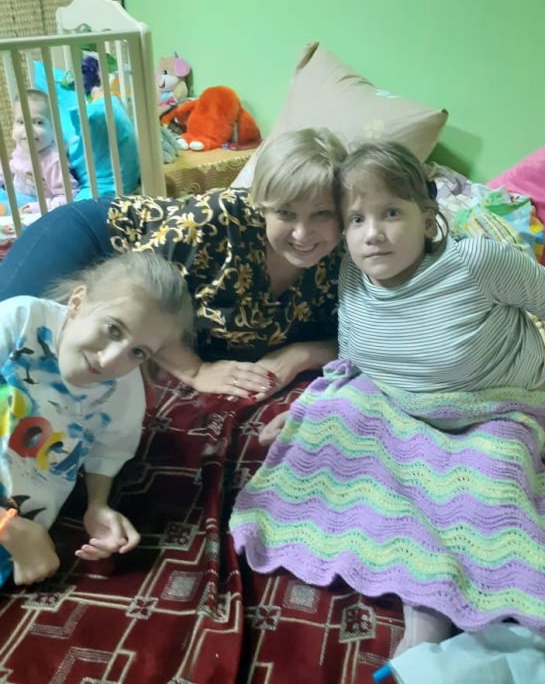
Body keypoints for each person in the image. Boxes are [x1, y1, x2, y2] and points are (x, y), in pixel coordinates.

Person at [230, 141, 545, 655]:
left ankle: (431, 615)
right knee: (333, 445)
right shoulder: (351, 273)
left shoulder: (477, 263)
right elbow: (360, 359)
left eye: (391, 213)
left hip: (493, 406)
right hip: (398, 401)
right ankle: (408, 580)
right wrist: (308, 409)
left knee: (483, 487)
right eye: (355, 219)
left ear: (427, 220)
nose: (372, 233)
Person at [0, 128, 347, 400]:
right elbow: (140, 299)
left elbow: (361, 336)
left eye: (322, 214)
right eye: (286, 213)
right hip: (98, 236)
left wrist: (300, 355)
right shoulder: (218, 219)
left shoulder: (348, 257)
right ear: (263, 206)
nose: (303, 233)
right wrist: (195, 371)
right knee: (16, 338)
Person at [0, 251, 194, 587]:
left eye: (138, 352)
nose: (110, 360)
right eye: (113, 329)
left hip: (22, 546)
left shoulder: (124, 389)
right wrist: (7, 527)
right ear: (77, 302)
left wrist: (97, 505)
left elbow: (109, 449)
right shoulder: (18, 321)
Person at [0, 89, 79, 214]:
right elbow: (12, 168)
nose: (28, 129)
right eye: (21, 122)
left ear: (52, 130)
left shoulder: (53, 161)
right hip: (16, 193)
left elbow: (70, 196)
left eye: (38, 122)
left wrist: (39, 207)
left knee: (3, 209)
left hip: (36, 204)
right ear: (13, 127)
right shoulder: (22, 146)